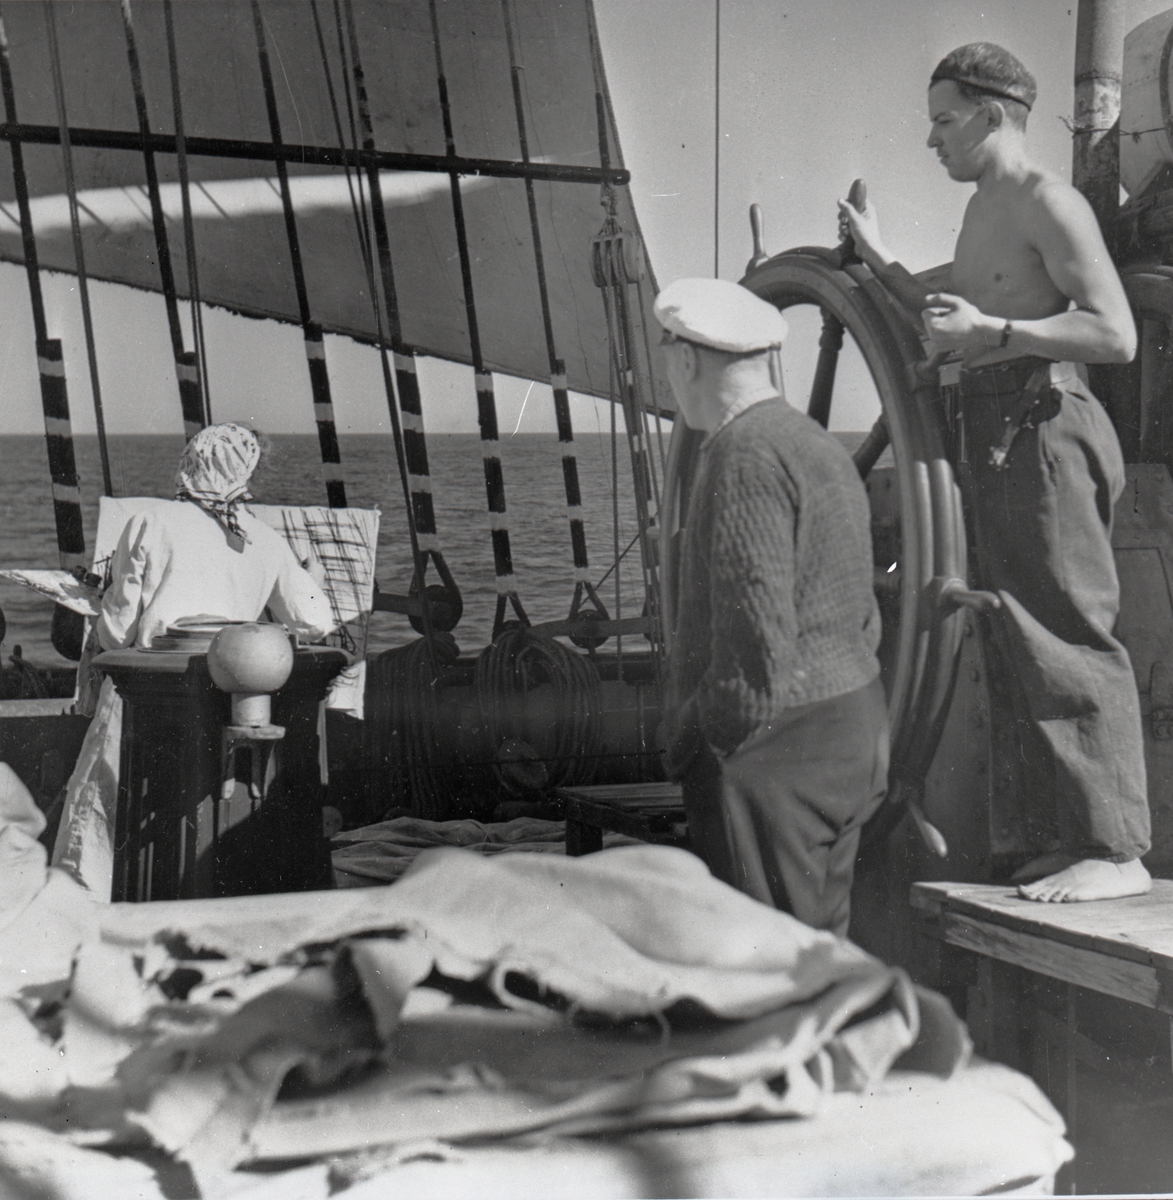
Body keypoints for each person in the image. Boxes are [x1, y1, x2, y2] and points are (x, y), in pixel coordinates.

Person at [838, 42, 1151, 903]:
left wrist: (995, 334)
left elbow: (1115, 334)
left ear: (989, 114)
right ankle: (1063, 835)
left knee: (1067, 630)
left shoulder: (1047, 202)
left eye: (943, 120)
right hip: (996, 429)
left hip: (1044, 424)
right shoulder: (982, 209)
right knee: (1017, 631)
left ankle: (1113, 848)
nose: (931, 139)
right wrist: (877, 256)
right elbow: (954, 321)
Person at [657, 277, 887, 937]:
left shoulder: (740, 456)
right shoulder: (813, 443)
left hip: (778, 755)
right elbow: (861, 611)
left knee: (766, 963)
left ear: (686, 360)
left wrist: (705, 742)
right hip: (852, 731)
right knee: (817, 954)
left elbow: (754, 647)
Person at [52, 423, 336, 897]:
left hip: (146, 705)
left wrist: (102, 600)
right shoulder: (262, 537)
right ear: (245, 472)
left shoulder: (150, 522)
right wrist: (309, 580)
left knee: (106, 830)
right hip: (229, 698)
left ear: (189, 465)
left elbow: (116, 634)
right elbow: (316, 621)